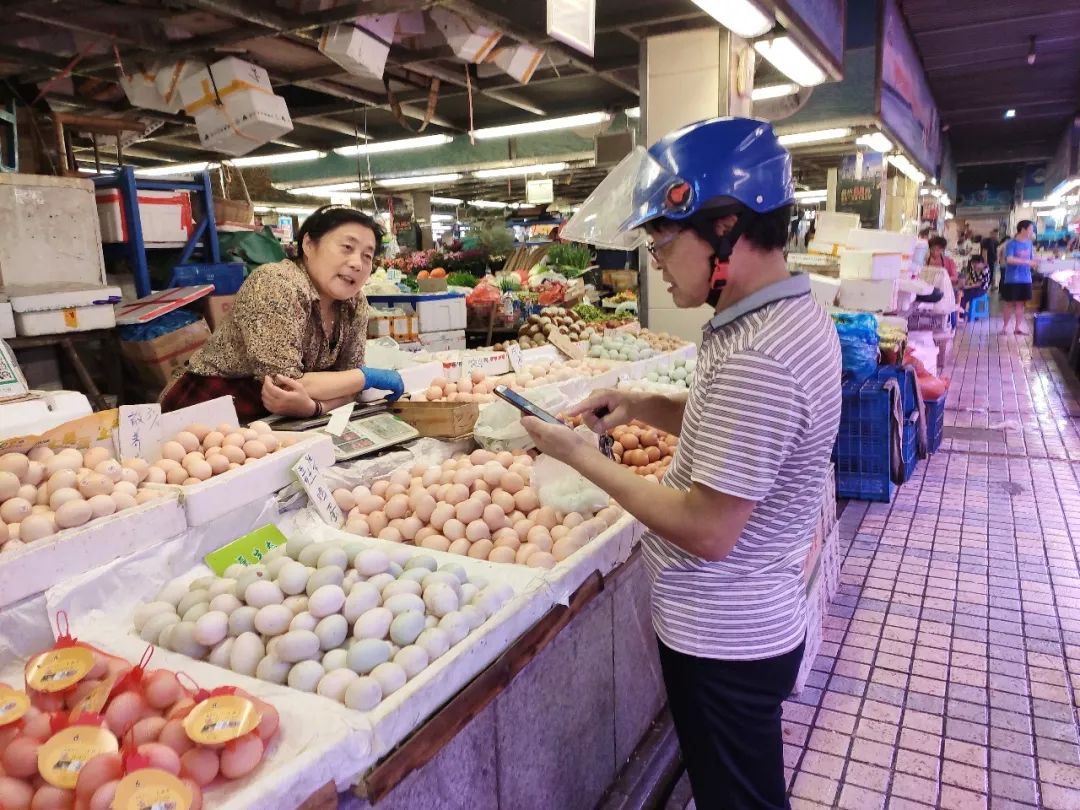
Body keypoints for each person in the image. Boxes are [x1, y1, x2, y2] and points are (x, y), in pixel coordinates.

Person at [526, 117, 842, 809]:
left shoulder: (760, 353)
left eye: (664, 243)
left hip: (727, 635)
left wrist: (583, 459)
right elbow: (728, 426)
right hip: (746, 615)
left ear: (725, 229)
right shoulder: (774, 315)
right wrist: (640, 402)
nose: (657, 263)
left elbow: (707, 529)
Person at [161, 205, 404, 421]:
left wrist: (315, 407)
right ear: (309, 244)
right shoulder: (275, 284)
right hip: (210, 405)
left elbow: (349, 388)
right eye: (347, 247)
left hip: (278, 415)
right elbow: (285, 384)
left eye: (367, 256)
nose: (357, 264)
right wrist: (365, 377)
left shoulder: (354, 303)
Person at [1001, 220, 1039, 336]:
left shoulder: (1029, 244)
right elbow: (1009, 259)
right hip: (1013, 279)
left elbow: (1032, 259)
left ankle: (1017, 328)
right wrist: (1027, 262)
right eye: (1031, 229)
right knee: (1009, 304)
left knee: (1021, 304)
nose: (1032, 232)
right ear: (1023, 229)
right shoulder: (1011, 244)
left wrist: (1040, 261)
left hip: (1026, 279)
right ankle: (1004, 327)